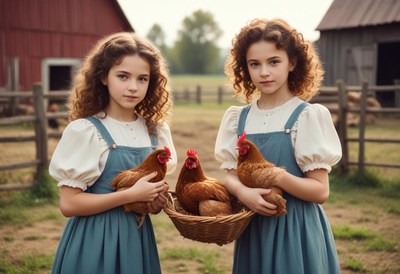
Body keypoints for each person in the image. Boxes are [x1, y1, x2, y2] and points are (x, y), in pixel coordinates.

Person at [214, 19, 342, 274]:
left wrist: (279, 176)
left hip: (295, 228)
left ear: (292, 62)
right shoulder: (237, 118)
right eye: (255, 64)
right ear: (245, 68)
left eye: (274, 62)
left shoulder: (306, 116)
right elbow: (230, 176)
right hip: (253, 228)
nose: (264, 72)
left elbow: (320, 192)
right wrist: (243, 193)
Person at [49, 32, 177, 274]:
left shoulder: (155, 132)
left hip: (137, 239)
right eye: (123, 76)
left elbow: (149, 203)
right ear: (103, 78)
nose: (133, 87)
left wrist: (154, 202)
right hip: (95, 240)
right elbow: (69, 204)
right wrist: (129, 195)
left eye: (142, 79)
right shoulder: (86, 131)